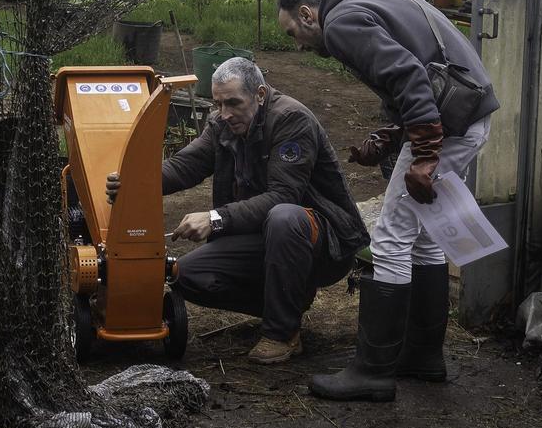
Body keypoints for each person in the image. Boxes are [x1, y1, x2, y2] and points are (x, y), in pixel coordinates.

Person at [276, 0, 499, 401]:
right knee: (424, 237)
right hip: (467, 114)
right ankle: (422, 356)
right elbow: (421, 67)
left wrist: (427, 152)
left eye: (294, 34)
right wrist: (391, 134)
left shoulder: (341, 21)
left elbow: (409, 76)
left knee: (390, 237)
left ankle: (373, 371)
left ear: (308, 14)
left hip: (447, 127)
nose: (299, 45)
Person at [105, 57, 368, 364]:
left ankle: (282, 332)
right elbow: (186, 165)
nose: (224, 113)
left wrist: (216, 219)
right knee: (186, 274)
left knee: (284, 216)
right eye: (218, 103)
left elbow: (284, 196)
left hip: (322, 241)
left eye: (232, 103)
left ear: (259, 94)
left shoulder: (291, 119)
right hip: (264, 236)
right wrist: (135, 182)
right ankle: (287, 302)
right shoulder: (222, 123)